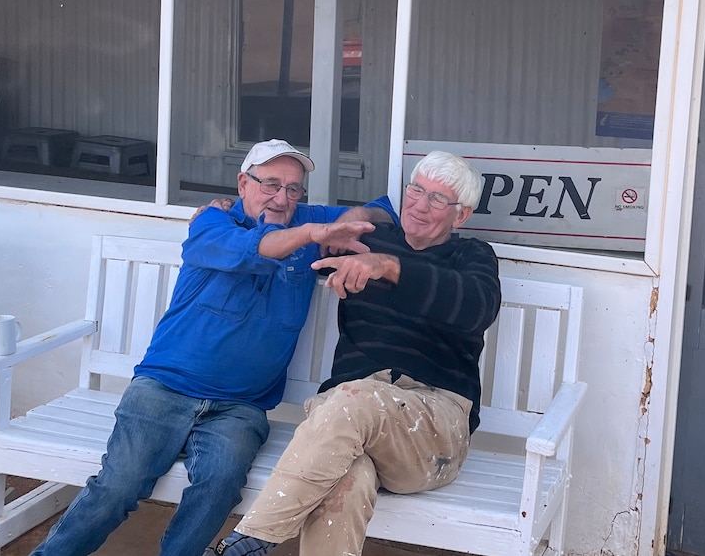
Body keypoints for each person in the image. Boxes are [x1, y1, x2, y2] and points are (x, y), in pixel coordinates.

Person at [29, 138, 396, 556]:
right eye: (271, 184)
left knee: (220, 487)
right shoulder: (212, 224)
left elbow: (388, 210)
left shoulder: (303, 219)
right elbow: (254, 248)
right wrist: (315, 233)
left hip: (241, 405)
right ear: (243, 184)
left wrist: (353, 216)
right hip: (164, 389)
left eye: (294, 188)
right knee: (119, 485)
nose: (282, 197)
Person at [210, 149, 501, 556]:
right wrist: (223, 208)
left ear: (461, 215)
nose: (419, 204)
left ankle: (257, 536)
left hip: (432, 427)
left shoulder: (471, 256)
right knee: (344, 480)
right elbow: (283, 212)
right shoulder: (363, 239)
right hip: (347, 422)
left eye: (438, 199)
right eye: (415, 190)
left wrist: (389, 266)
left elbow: (476, 307)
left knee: (356, 397)